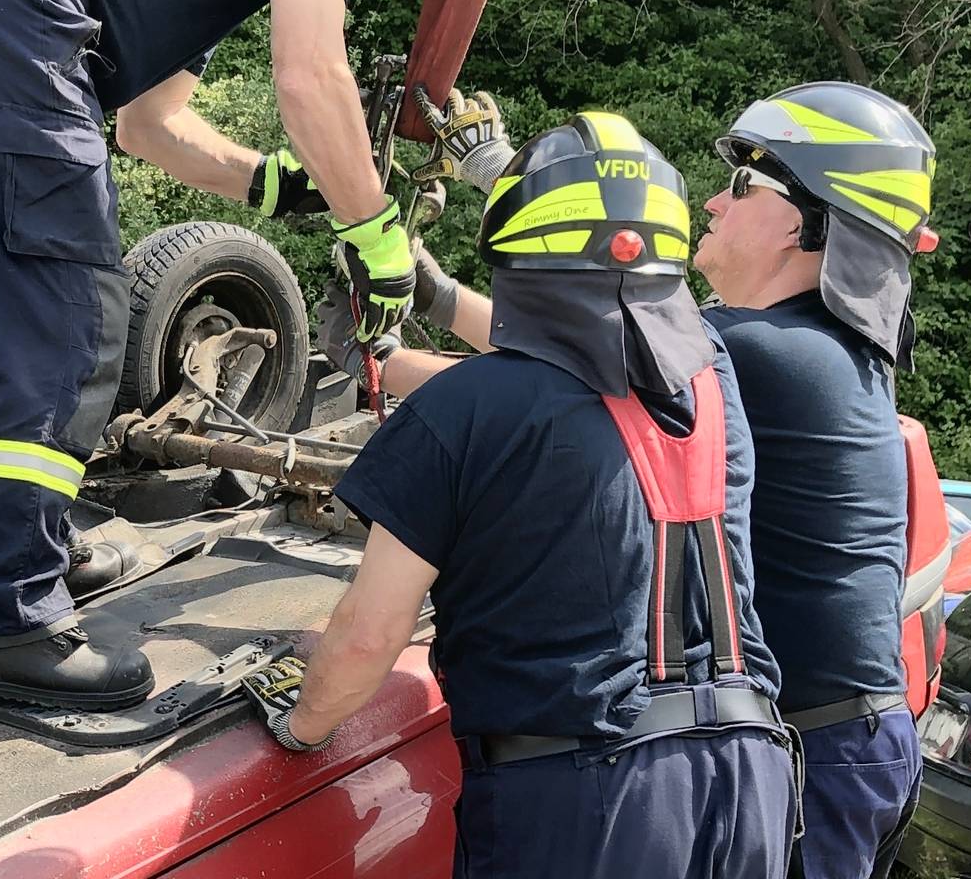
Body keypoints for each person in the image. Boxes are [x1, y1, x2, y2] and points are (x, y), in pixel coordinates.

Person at [0, 0, 479, 709]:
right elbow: (311, 75)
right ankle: (3, 620)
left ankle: (30, 552)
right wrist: (376, 235)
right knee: (70, 321)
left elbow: (149, 127)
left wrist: (277, 185)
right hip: (22, 10)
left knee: (34, 314)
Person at [243, 112, 795, 878]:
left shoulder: (462, 413)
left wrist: (301, 722)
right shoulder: (714, 379)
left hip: (587, 806)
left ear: (516, 247)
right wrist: (431, 311)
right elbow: (572, 372)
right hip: (750, 779)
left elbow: (369, 637)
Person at [695, 83, 939, 879]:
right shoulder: (822, 348)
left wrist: (392, 347)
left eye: (742, 185)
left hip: (817, 755)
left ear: (802, 222)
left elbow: (561, 359)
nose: (712, 203)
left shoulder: (765, 352)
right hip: (847, 744)